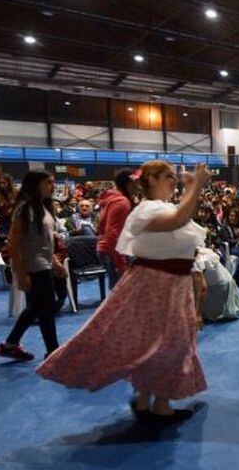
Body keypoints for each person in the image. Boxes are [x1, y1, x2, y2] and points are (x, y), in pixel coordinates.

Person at [37, 161, 210, 423]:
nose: (173, 181)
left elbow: (178, 223)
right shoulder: (147, 209)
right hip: (157, 284)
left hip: (171, 283)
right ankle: (158, 403)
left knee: (158, 342)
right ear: (150, 180)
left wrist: (190, 191)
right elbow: (177, 221)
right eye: (167, 176)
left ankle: (146, 399)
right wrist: (195, 188)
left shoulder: (162, 207)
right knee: (169, 343)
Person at [0, 171, 66, 361]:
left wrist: (55, 262)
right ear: (35, 185)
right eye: (48, 183)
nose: (52, 186)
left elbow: (44, 242)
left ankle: (9, 345)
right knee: (46, 308)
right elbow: (13, 242)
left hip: (43, 263)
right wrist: (21, 273)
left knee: (35, 307)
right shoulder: (25, 209)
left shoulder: (43, 207)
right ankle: (53, 352)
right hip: (33, 266)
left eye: (53, 182)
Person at [193, 246, 239, 322]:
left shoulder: (198, 261)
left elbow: (202, 288)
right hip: (227, 281)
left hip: (218, 288)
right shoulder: (206, 252)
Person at [96, 169, 136, 289]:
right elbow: (112, 233)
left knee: (120, 290)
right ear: (129, 183)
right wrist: (120, 262)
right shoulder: (121, 202)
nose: (139, 186)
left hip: (112, 249)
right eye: (137, 182)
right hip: (113, 250)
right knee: (120, 290)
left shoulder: (117, 199)